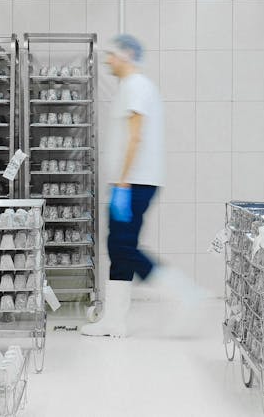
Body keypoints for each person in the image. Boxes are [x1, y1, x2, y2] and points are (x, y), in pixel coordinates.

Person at [81, 34, 203, 338]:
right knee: (118, 248)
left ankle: (183, 294)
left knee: (123, 247)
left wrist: (122, 184)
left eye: (112, 55)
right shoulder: (131, 87)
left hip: (134, 182)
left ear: (127, 56)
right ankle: (114, 321)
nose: (108, 60)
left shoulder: (136, 86)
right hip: (130, 181)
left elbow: (135, 136)